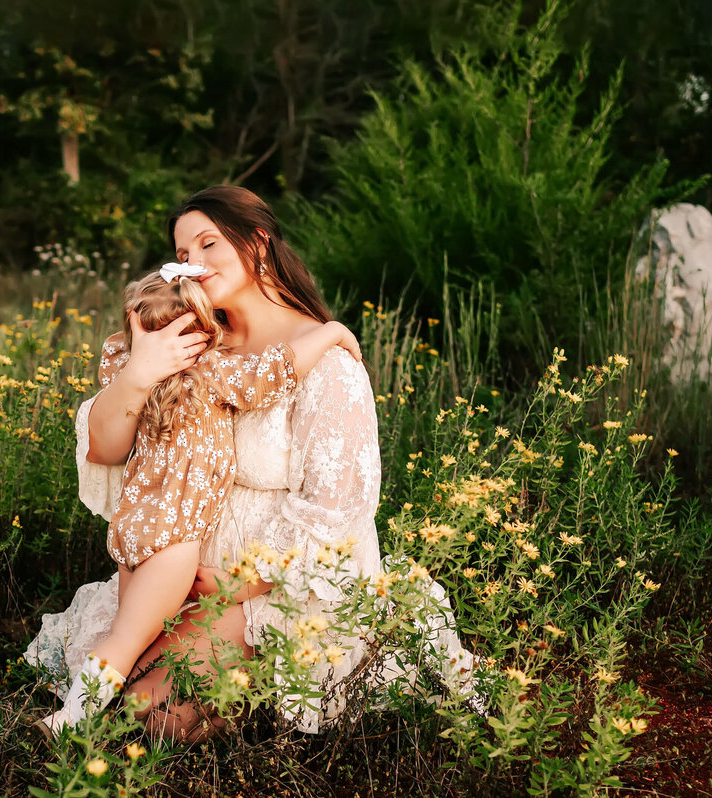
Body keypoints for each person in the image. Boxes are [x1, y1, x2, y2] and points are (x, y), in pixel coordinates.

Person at [24, 185, 483, 740]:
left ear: (258, 243)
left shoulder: (320, 359)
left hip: (282, 590)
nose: (194, 263)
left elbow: (339, 510)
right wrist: (141, 371)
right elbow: (105, 448)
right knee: (118, 682)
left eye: (209, 243)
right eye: (183, 254)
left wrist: (244, 582)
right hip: (173, 564)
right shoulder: (188, 345)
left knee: (149, 718)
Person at [35, 264, 362, 738]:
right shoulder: (210, 371)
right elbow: (275, 372)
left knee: (135, 637)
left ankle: (92, 706)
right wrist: (331, 329)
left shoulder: (130, 368)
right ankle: (74, 720)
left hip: (134, 525)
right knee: (129, 639)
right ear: (203, 332)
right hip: (176, 535)